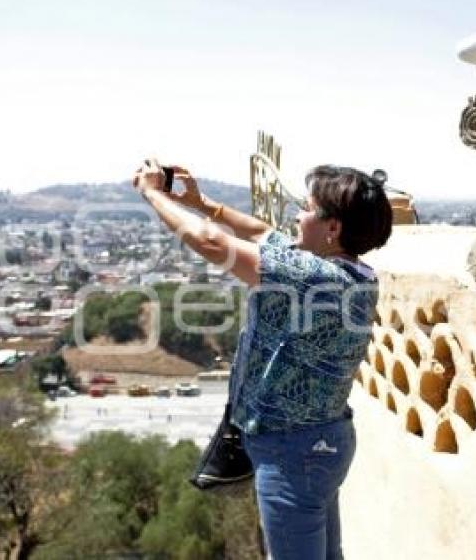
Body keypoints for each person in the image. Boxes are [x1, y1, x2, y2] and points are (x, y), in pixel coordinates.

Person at [133, 159, 392, 560]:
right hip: (321, 441)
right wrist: (204, 203)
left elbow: (212, 244)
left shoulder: (315, 278)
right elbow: (260, 232)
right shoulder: (354, 273)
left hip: (293, 450)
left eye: (306, 209)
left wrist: (152, 194)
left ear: (333, 228)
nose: (297, 217)